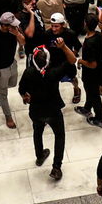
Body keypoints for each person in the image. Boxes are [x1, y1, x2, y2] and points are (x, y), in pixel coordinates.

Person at [20, 40, 77, 181]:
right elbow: (73, 60)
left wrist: (25, 96)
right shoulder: (55, 72)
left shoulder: (28, 73)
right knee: (59, 136)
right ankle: (56, 167)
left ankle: (39, 156)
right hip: (53, 111)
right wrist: (63, 46)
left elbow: (22, 89)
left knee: (37, 131)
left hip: (36, 111)